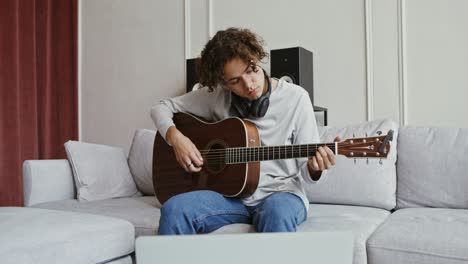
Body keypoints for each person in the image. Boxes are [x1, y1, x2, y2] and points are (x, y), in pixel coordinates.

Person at [151, 27, 337, 234]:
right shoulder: (216, 97)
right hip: (228, 197)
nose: (248, 85)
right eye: (235, 81)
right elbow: (160, 108)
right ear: (223, 83)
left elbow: (307, 172)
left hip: (280, 195)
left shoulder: (296, 98)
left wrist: (315, 167)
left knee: (277, 214)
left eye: (251, 71)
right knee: (175, 209)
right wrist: (176, 139)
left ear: (258, 58)